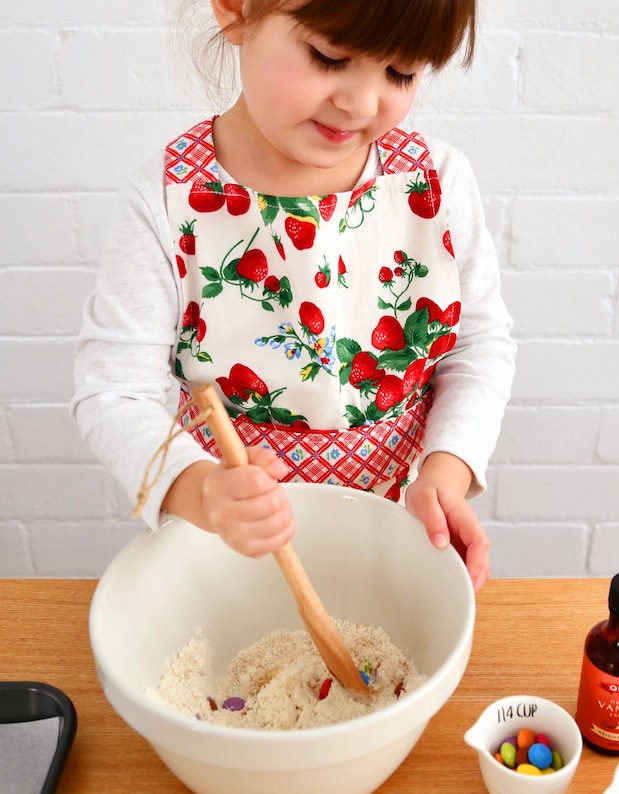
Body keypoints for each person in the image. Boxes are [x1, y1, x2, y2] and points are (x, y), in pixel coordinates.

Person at [72, 0, 516, 593]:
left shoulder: (436, 183)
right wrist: (200, 491)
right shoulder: (165, 202)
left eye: (400, 73)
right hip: (228, 550)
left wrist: (446, 470)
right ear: (237, 11)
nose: (361, 103)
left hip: (396, 531)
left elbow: (477, 348)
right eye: (329, 57)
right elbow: (114, 390)